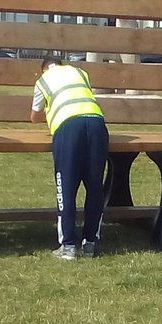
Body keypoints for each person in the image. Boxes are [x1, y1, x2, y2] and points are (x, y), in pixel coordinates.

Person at [30, 56, 109, 260]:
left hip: (69, 127)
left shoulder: (43, 81)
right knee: (94, 185)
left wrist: (49, 109)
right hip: (96, 123)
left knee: (66, 186)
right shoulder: (80, 72)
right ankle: (90, 242)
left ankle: (68, 246)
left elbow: (34, 116)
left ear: (44, 68)